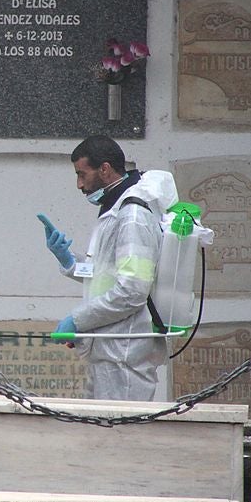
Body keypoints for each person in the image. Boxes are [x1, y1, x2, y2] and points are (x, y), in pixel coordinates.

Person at [37, 135, 179, 401]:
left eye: (82, 174)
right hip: (109, 352)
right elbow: (107, 277)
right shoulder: (116, 208)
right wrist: (70, 262)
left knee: (118, 439)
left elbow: (132, 290)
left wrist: (78, 321)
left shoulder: (132, 216)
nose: (79, 184)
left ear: (104, 169)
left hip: (124, 356)